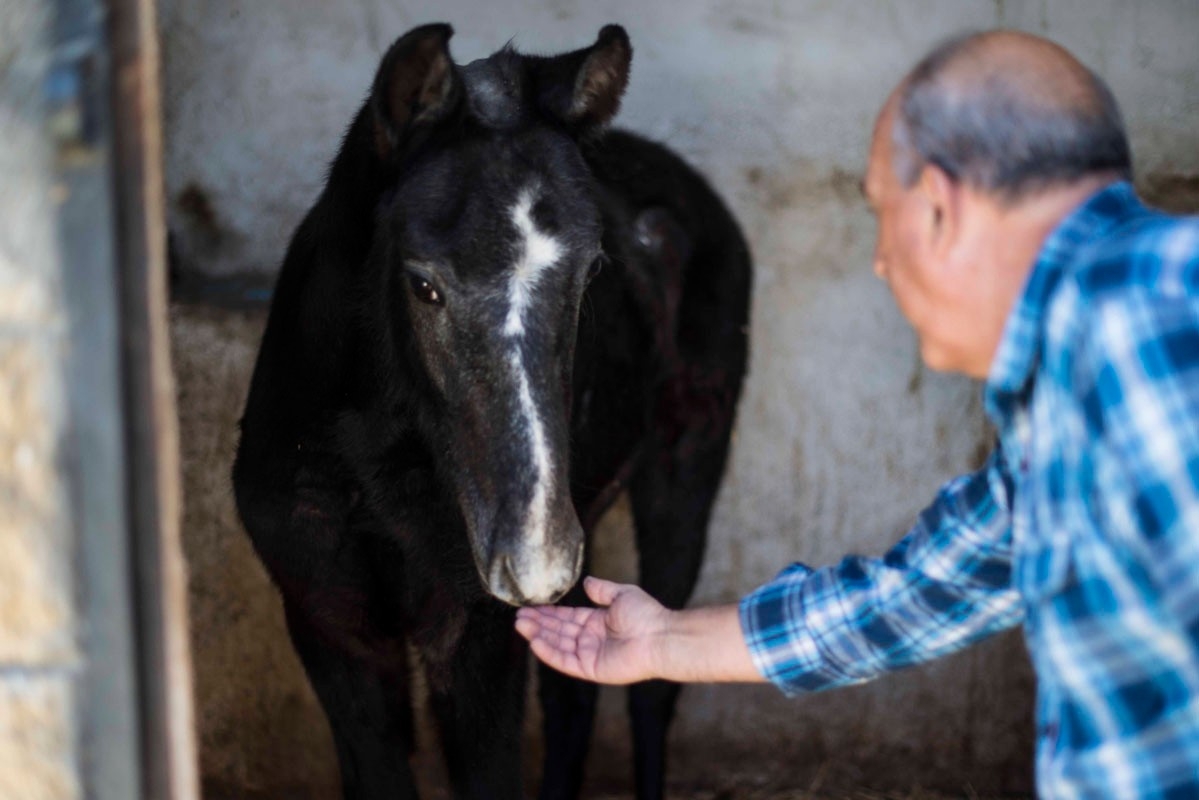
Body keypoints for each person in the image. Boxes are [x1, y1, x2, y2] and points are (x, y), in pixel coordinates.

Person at [515, 29, 1199, 798]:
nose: (877, 260)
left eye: (881, 211)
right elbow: (911, 597)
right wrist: (665, 639)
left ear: (938, 206)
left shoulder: (1139, 326)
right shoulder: (1084, 377)